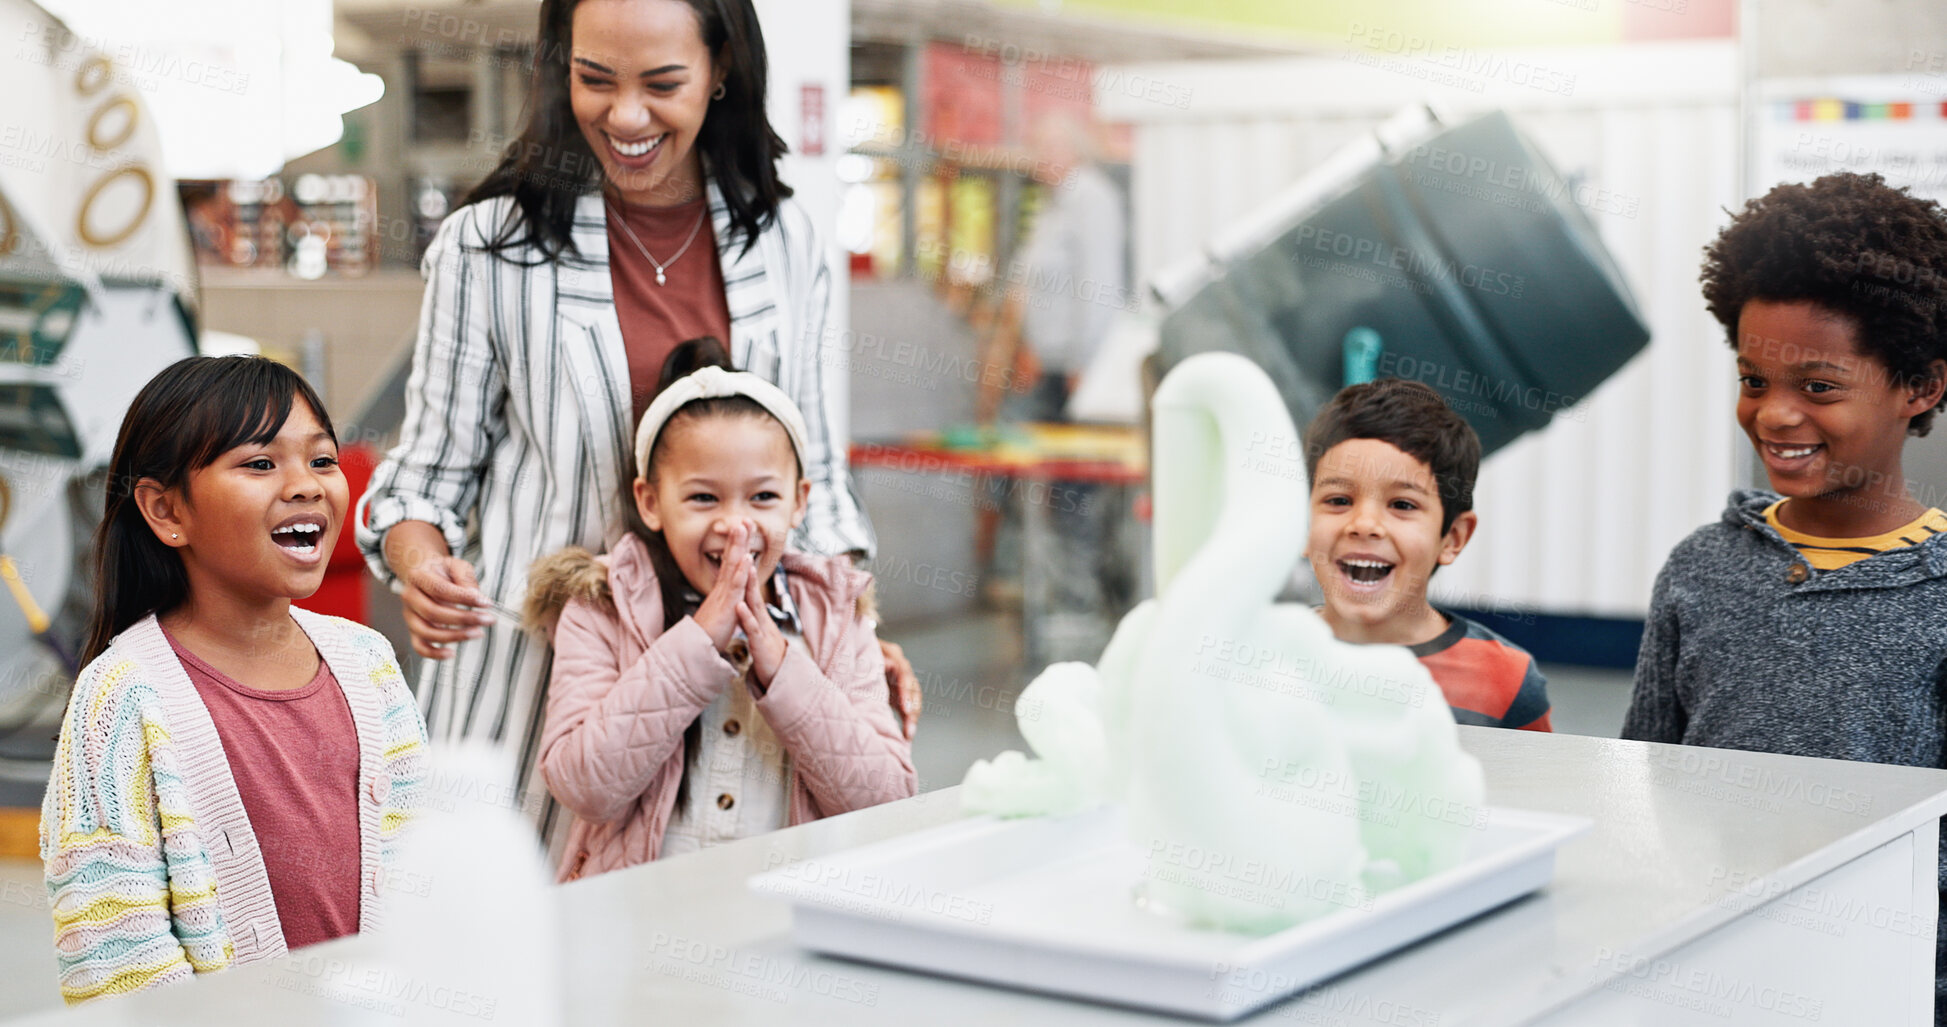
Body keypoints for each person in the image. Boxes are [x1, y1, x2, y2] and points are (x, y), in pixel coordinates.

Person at [356, 0, 917, 840]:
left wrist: (852, 637)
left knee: (688, 944)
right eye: (593, 79)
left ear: (721, 69)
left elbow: (817, 480)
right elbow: (424, 477)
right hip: (527, 677)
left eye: (662, 83)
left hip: (718, 692)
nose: (623, 116)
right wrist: (421, 562)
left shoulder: (784, 243)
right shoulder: (489, 247)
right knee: (508, 950)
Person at [1620, 172, 1947, 1013]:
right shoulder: (1699, 570)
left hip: (1885, 987)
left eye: (1819, 387)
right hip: (1707, 973)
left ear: (1920, 386)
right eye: (1752, 380)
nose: (1773, 415)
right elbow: (1645, 785)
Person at [41, 356, 426, 1004]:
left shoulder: (370, 663)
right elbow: (115, 953)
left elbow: (422, 867)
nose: (305, 485)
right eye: (260, 463)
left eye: (322, 460)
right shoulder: (120, 698)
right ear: (166, 509)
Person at [525, 339, 914, 879]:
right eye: (704, 498)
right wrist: (698, 642)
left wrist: (781, 667)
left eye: (763, 498)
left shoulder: (835, 617)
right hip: (638, 927)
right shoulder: (603, 607)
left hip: (786, 921)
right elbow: (583, 785)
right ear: (650, 502)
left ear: (799, 501)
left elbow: (887, 800)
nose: (736, 526)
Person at [1301, 378, 1552, 731]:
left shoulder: (1506, 681)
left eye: (1402, 504)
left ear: (1451, 537)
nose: (1365, 524)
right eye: (1339, 500)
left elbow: (1534, 786)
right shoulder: (1264, 655)